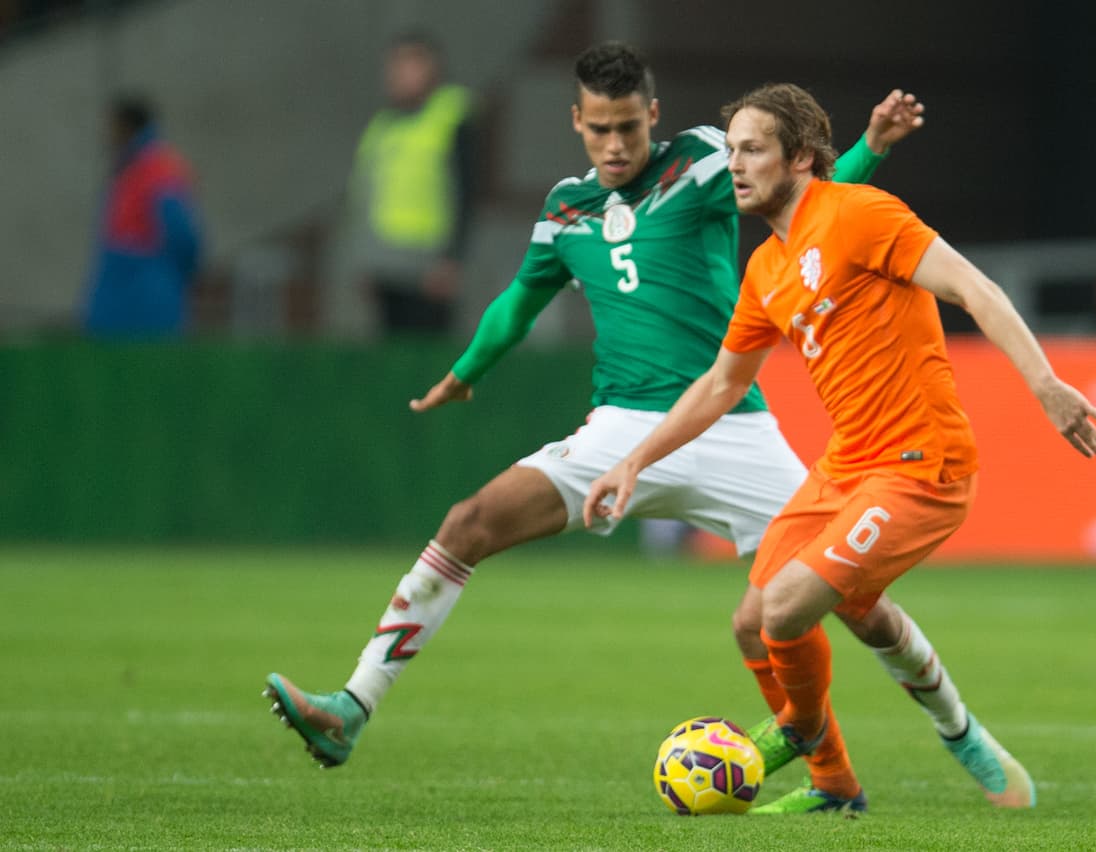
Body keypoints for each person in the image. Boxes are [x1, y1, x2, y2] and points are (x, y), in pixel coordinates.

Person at [263, 43, 929, 809]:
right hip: (619, 428)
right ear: (577, 121)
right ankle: (352, 707)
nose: (615, 146)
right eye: (598, 130)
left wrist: (871, 147)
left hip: (730, 421)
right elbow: (521, 297)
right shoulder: (565, 207)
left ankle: (954, 725)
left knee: (846, 597)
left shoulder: (705, 161)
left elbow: (816, 203)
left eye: (628, 128)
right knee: (468, 522)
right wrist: (468, 370)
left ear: (652, 115)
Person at [585, 82, 1096, 814]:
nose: (733, 165)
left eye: (752, 149)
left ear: (800, 157)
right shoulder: (767, 269)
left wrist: (1046, 385)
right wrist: (634, 461)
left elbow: (974, 287)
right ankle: (841, 785)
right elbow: (718, 384)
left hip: (922, 467)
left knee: (789, 608)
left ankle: (803, 730)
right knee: (760, 621)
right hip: (848, 467)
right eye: (730, 148)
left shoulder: (860, 214)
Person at [344, 30, 477, 335]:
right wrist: (363, 259)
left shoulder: (451, 114)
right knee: (391, 359)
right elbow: (364, 196)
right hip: (384, 264)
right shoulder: (383, 126)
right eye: (396, 65)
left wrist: (451, 259)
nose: (400, 74)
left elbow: (466, 191)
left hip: (427, 266)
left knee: (426, 358)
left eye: (410, 64)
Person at [83, 94, 203, 337]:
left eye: (111, 126)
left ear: (127, 126)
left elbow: (183, 236)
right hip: (127, 296)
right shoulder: (129, 167)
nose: (106, 135)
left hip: (145, 300)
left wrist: (165, 278)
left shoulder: (157, 167)